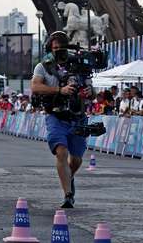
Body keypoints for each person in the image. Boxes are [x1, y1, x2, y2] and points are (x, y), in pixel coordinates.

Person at [30, 30, 93, 209]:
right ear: (49, 48)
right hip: (55, 115)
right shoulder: (43, 67)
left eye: (60, 47)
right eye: (54, 47)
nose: (57, 50)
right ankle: (68, 195)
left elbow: (91, 90)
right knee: (61, 151)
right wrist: (60, 91)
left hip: (77, 116)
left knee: (77, 159)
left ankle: (68, 176)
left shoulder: (79, 64)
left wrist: (89, 92)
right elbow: (35, 86)